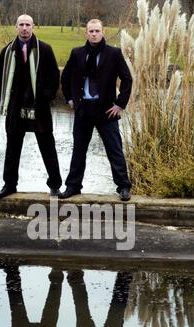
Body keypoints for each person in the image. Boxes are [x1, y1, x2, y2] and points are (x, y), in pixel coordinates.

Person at [60, 19, 132, 201]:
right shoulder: (77, 53)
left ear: (103, 32)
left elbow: (127, 79)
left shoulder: (113, 53)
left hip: (107, 111)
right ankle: (73, 186)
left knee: (114, 149)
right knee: (78, 150)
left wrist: (120, 104)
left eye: (97, 31)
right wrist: (70, 99)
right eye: (90, 31)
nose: (93, 34)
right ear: (86, 33)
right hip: (83, 109)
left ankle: (123, 186)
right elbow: (65, 77)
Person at [0, 14, 62, 199]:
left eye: (28, 25)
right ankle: (9, 185)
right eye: (21, 25)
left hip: (39, 107)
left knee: (48, 147)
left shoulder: (45, 50)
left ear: (33, 27)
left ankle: (55, 185)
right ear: (16, 26)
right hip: (15, 108)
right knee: (12, 148)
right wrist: (5, 98)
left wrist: (45, 97)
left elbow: (54, 77)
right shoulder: (7, 51)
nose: (24, 28)